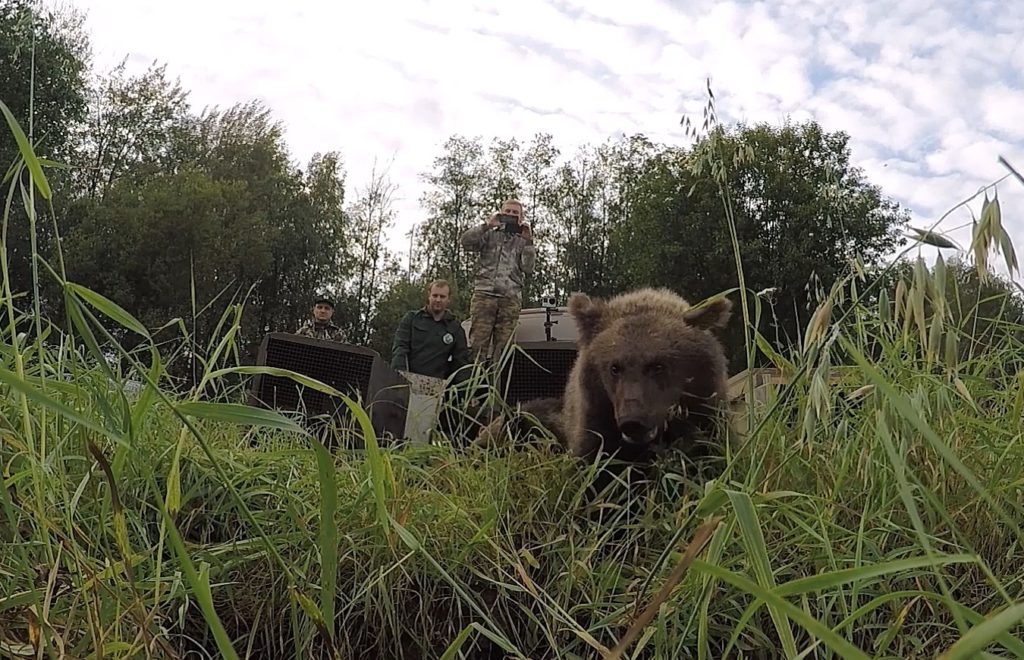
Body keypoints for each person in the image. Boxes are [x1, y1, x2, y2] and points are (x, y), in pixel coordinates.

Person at [460, 199, 535, 362]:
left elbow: (528, 268)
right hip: (484, 296)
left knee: (504, 349)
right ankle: (476, 378)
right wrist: (487, 225)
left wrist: (529, 241)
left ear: (521, 218)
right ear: (500, 213)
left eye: (515, 213)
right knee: (478, 345)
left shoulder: (523, 240)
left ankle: (499, 378)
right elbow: (465, 242)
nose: (511, 215)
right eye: (507, 211)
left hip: (510, 299)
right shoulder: (489, 234)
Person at [390, 279, 471, 381]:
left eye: (442, 296)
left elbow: (460, 363)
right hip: (407, 379)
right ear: (429, 296)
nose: (438, 300)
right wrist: (400, 375)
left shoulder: (455, 328)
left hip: (436, 384)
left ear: (448, 299)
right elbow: (400, 348)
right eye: (435, 295)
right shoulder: (411, 319)